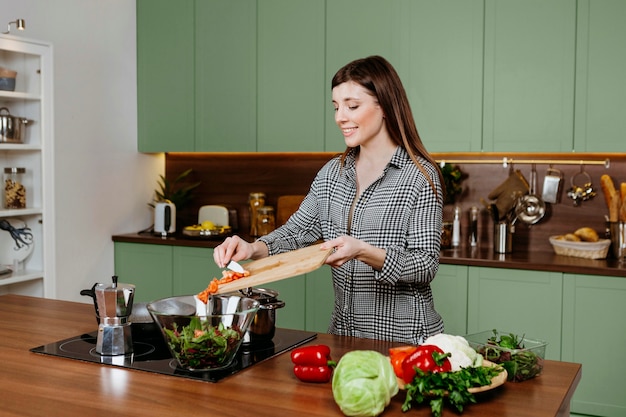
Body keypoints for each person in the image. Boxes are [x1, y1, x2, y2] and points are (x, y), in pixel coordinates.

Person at [214, 55, 445, 345]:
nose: (340, 117)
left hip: (403, 340)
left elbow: (424, 265)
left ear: (384, 106)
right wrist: (252, 248)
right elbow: (297, 232)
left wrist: (363, 251)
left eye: (352, 106)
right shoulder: (332, 174)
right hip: (344, 337)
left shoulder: (419, 176)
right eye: (336, 107)